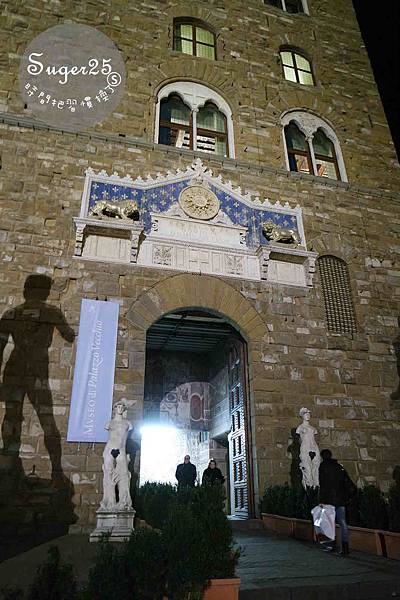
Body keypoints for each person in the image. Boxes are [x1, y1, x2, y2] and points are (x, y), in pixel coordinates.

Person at [318, 448, 356, 555]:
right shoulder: (339, 466)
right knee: (342, 522)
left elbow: (323, 485)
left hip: (329, 499)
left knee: (330, 523)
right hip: (341, 499)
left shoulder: (323, 467)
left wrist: (321, 500)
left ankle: (332, 545)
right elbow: (345, 481)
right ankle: (345, 547)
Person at [101, 400, 133, 511]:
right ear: (115, 409)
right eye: (118, 406)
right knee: (108, 476)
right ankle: (110, 502)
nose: (120, 408)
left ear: (124, 409)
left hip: (121, 449)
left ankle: (123, 502)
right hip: (110, 449)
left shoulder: (128, 424)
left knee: (123, 476)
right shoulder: (109, 423)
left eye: (122, 407)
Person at [296, 407, 320, 489]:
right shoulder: (300, 428)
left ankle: (316, 488)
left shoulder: (313, 428)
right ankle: (308, 489)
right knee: (307, 470)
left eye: (309, 414)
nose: (308, 416)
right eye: (306, 414)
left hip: (314, 447)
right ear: (302, 416)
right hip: (305, 448)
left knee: (316, 469)